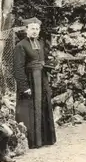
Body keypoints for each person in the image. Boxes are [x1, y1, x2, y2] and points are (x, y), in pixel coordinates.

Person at [13, 17, 57, 149]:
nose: (35, 31)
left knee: (43, 107)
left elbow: (42, 61)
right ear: (26, 30)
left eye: (37, 29)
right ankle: (32, 141)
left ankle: (44, 139)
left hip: (41, 80)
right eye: (32, 28)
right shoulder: (20, 45)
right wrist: (24, 87)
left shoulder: (41, 43)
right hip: (29, 81)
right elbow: (18, 68)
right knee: (29, 110)